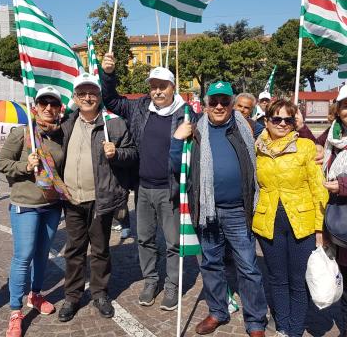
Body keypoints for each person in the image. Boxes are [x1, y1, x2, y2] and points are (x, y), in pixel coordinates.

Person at [100, 55, 198, 311]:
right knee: (144, 239)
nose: (157, 91)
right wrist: (108, 75)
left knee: (173, 242)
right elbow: (109, 100)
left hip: (171, 190)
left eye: (162, 86)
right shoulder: (140, 107)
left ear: (172, 87)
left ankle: (172, 285)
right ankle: (150, 280)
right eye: (153, 86)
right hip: (143, 188)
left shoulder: (186, 114)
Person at [170, 81, 267, 337]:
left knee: (248, 267)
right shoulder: (195, 131)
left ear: (232, 104)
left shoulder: (246, 128)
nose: (220, 106)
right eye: (214, 101)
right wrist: (177, 140)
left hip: (238, 211)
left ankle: (256, 321)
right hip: (206, 211)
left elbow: (278, 136)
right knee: (211, 264)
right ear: (206, 105)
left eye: (225, 101)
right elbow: (175, 166)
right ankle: (218, 312)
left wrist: (311, 144)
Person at [58, 72, 137, 322]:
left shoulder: (114, 124)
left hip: (100, 198)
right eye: (82, 93)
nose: (88, 97)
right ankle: (71, 296)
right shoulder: (66, 123)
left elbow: (132, 153)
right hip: (72, 198)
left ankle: (100, 293)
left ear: (99, 96)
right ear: (75, 98)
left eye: (92, 92)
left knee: (101, 249)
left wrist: (118, 154)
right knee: (74, 250)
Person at [252, 99, 329, 337]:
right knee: (277, 277)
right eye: (277, 119)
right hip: (269, 220)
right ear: (267, 121)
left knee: (298, 279)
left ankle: (295, 329)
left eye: (289, 119)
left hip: (301, 222)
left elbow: (319, 188)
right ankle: (283, 325)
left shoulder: (306, 146)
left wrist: (319, 228)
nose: (283, 124)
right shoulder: (258, 147)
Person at [0, 86, 69, 337]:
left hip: (51, 205)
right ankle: (15, 311)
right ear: (35, 106)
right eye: (43, 103)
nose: (48, 108)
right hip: (25, 205)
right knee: (24, 256)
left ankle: (35, 296)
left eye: (53, 104)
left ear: (60, 109)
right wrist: (25, 166)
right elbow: (2, 163)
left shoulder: (60, 135)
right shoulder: (22, 132)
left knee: (41, 254)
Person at [320, 85, 347, 336]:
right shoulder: (333, 136)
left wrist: (342, 185)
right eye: (345, 104)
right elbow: (316, 148)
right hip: (338, 220)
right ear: (338, 110)